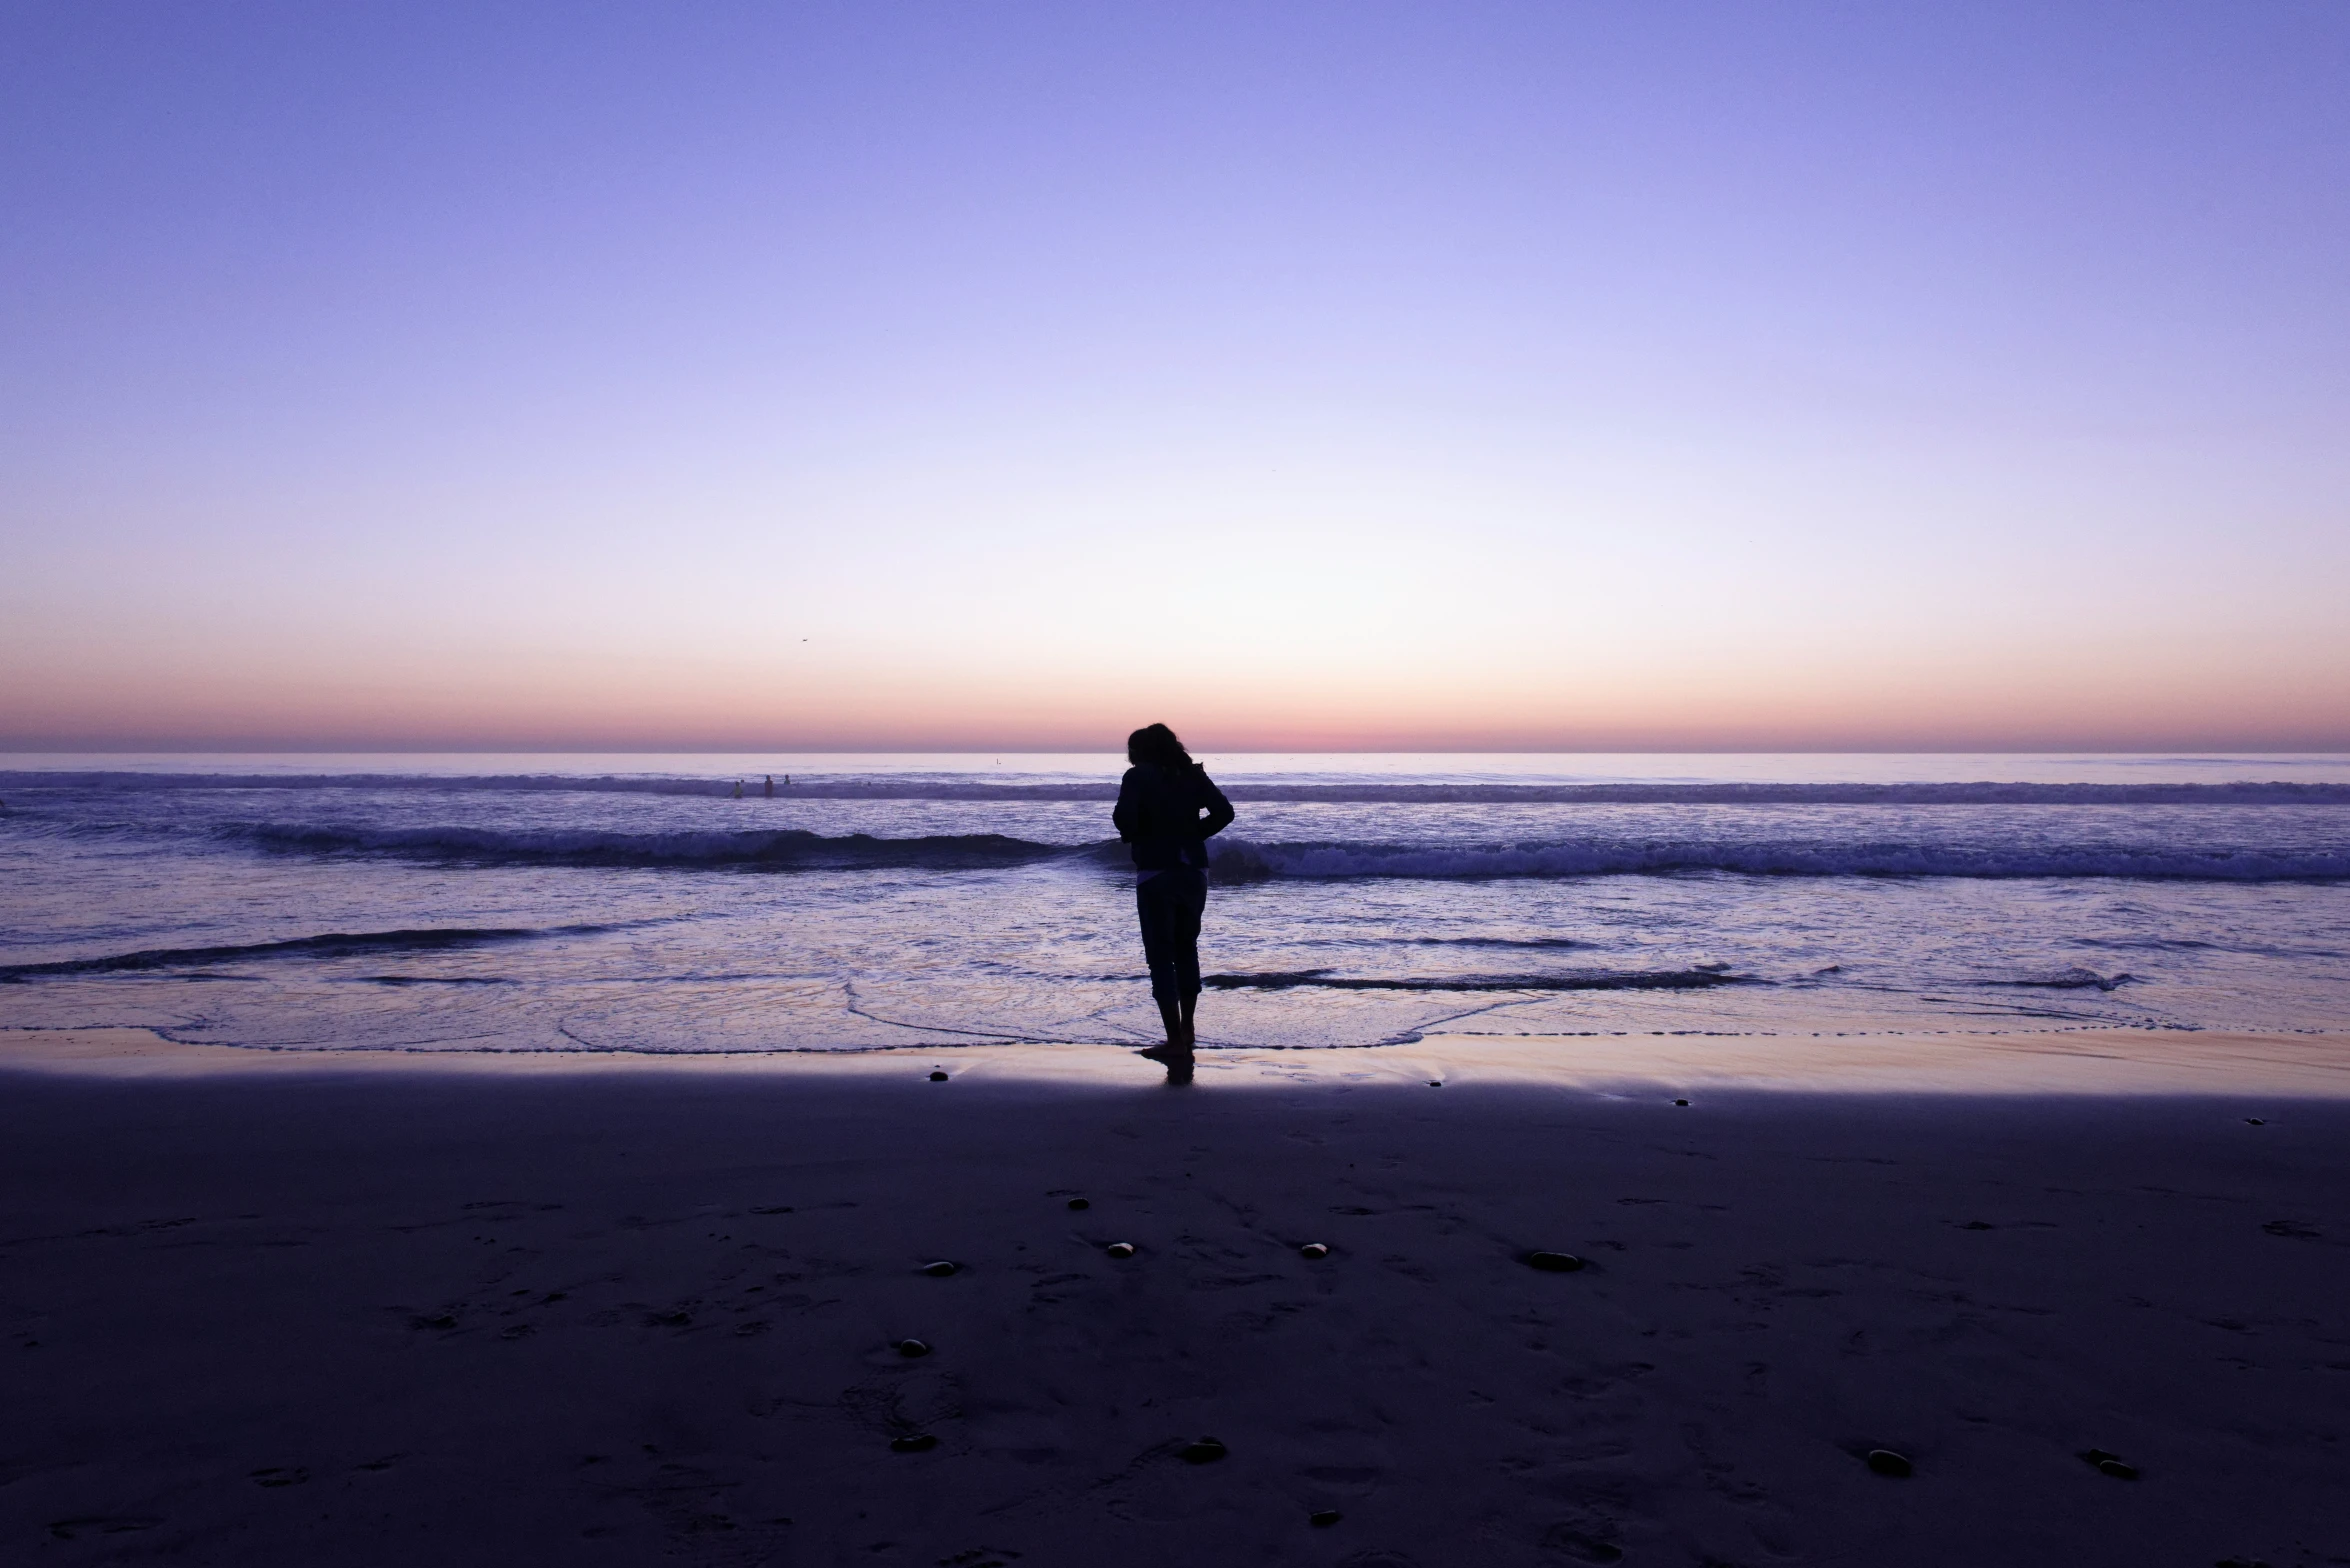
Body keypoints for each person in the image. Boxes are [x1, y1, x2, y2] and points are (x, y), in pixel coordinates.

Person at [1112, 723, 1234, 1057]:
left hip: (1156, 871)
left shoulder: (1137, 777)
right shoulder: (1192, 775)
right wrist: (1193, 833)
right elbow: (1225, 813)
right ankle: (1188, 1028)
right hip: (1194, 870)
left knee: (1161, 957)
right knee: (1186, 948)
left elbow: (1123, 819)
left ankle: (1174, 1041)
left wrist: (1142, 832)